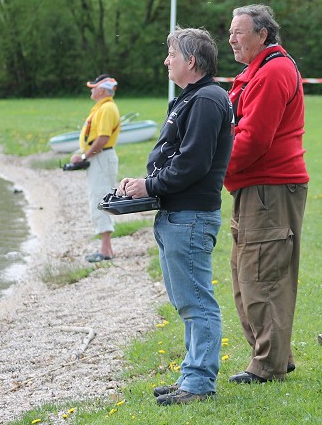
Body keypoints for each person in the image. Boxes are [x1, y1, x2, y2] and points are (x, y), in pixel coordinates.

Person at [118, 27, 233, 405]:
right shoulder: (193, 98)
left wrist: (149, 186)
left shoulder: (207, 100)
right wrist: (145, 184)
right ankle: (192, 374)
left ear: (192, 61)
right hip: (178, 214)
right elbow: (177, 157)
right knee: (188, 301)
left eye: (172, 54)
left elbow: (193, 162)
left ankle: (198, 384)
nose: (166, 61)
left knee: (197, 302)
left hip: (191, 216)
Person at [225, 4, 309, 384]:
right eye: (229, 32)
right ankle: (276, 354)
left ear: (263, 35)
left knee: (262, 275)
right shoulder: (255, 71)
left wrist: (212, 170)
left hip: (269, 187)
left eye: (238, 32)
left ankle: (268, 366)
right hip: (254, 186)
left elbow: (253, 139)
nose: (231, 39)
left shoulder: (273, 71)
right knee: (246, 276)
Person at [71, 74, 120, 263]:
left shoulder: (107, 108)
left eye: (93, 87)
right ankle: (105, 248)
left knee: (101, 198)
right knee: (98, 198)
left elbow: (103, 138)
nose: (91, 90)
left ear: (101, 90)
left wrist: (84, 156)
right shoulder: (103, 107)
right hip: (99, 157)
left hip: (101, 158)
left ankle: (106, 250)